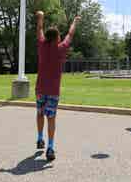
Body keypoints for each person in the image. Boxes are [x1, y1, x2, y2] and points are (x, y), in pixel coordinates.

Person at [35, 11, 81, 161]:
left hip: (40, 89)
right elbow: (71, 33)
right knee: (51, 118)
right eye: (59, 36)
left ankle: (40, 138)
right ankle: (50, 148)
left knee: (40, 113)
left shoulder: (42, 45)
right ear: (56, 38)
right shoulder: (61, 48)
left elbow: (39, 30)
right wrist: (75, 21)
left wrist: (40, 18)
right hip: (53, 91)